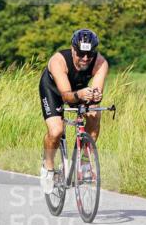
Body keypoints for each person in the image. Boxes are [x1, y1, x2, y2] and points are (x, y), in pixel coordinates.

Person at [38, 28, 109, 193]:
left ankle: (84, 162)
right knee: (56, 131)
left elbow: (96, 94)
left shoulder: (100, 63)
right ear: (72, 49)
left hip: (79, 90)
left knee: (93, 114)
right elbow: (66, 96)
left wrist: (95, 96)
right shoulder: (58, 61)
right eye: (80, 54)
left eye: (89, 54)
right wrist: (81, 94)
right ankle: (47, 166)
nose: (85, 59)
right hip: (55, 91)